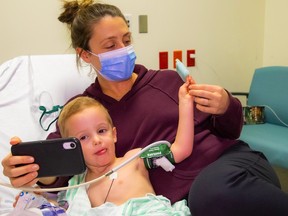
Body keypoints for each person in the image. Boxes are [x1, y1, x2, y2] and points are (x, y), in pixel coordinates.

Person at [2, 0, 288, 215]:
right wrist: (30, 170)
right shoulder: (84, 112)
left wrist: (226, 104)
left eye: (126, 40)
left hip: (228, 168)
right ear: (85, 54)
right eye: (111, 45)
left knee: (211, 193)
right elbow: (60, 168)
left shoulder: (165, 81)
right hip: (182, 202)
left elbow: (230, 129)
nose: (123, 50)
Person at [11, 88, 194, 215]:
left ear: (114, 134)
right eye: (84, 138)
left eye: (101, 131)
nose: (97, 140)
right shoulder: (76, 185)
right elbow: (63, 210)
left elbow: (181, 150)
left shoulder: (135, 159)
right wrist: (34, 201)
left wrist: (185, 103)